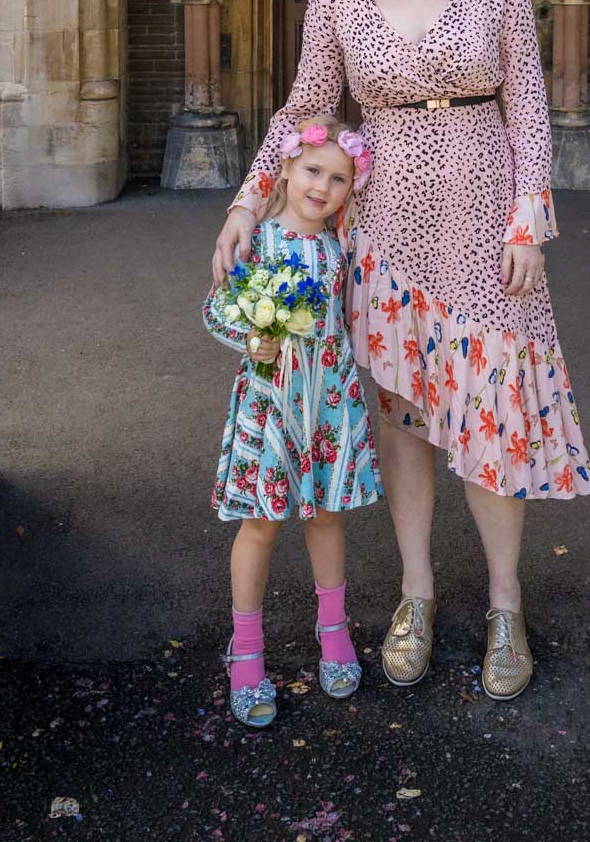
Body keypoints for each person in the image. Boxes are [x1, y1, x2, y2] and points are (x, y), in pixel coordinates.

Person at [211, 0, 590, 703]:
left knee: (493, 410)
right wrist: (245, 200)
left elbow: (531, 108)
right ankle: (416, 596)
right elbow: (304, 110)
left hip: (486, 220)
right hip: (384, 232)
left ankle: (505, 605)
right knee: (406, 414)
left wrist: (529, 219)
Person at [203, 114, 382, 729]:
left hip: (328, 406)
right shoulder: (259, 241)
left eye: (338, 178)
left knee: (326, 518)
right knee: (260, 526)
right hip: (269, 406)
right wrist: (251, 337)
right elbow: (217, 310)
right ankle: (246, 651)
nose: (322, 187)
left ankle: (333, 633)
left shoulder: (341, 246)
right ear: (283, 170)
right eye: (312, 170)